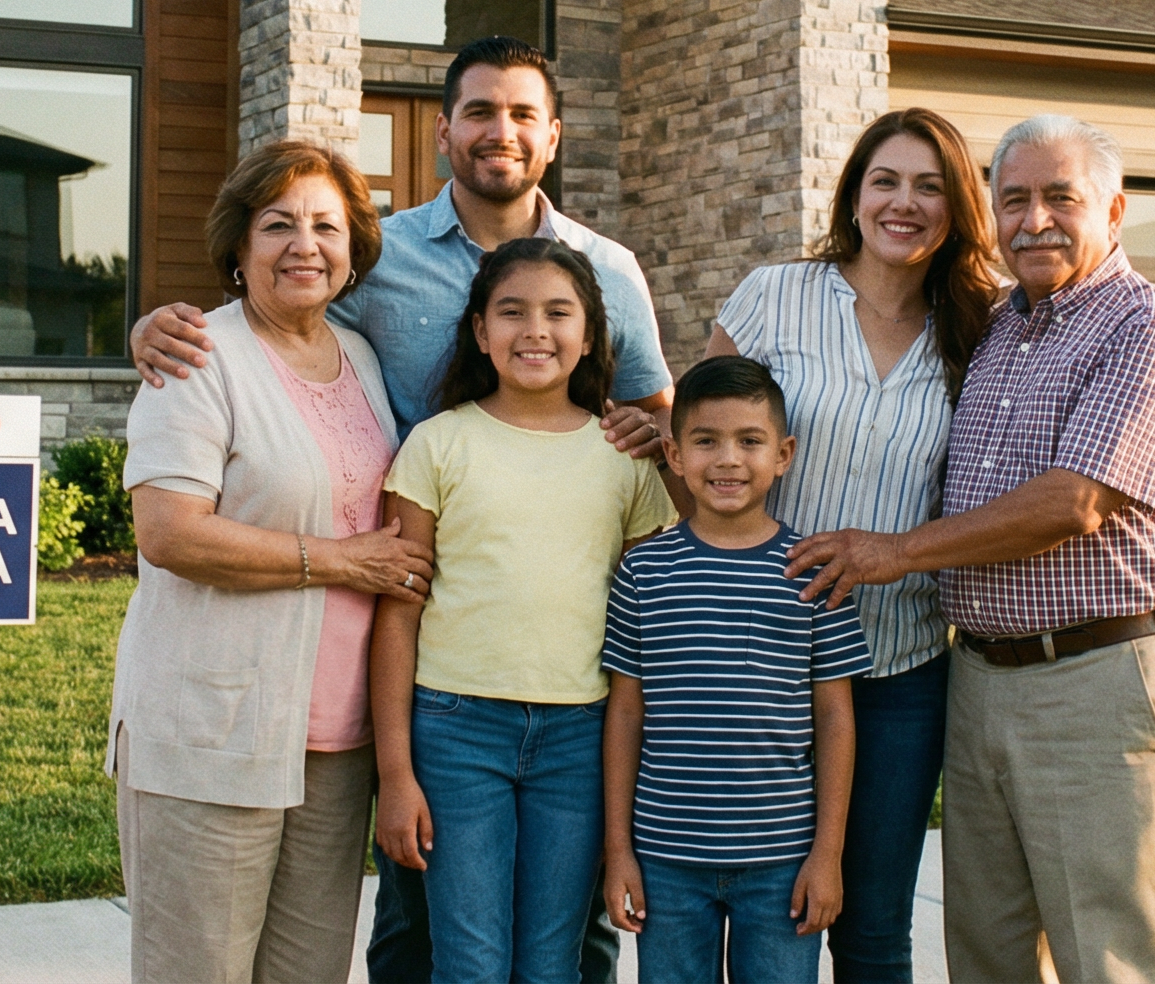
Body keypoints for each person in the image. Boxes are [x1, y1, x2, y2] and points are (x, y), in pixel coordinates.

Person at [131, 36, 675, 984]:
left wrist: (642, 441)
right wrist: (150, 327)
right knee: (420, 935)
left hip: (387, 704)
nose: (497, 131)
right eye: (477, 112)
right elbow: (259, 334)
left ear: (553, 135)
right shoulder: (368, 269)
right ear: (442, 132)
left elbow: (655, 421)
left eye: (519, 114)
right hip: (411, 673)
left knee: (558, 943)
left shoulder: (606, 269)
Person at [787, 114, 1155, 984]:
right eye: (1014, 199)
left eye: (1061, 198)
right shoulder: (992, 330)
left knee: (1114, 952)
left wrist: (897, 553)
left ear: (1115, 209)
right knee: (990, 954)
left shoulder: (1149, 330)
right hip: (979, 682)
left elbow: (1075, 500)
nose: (1035, 220)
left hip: (1096, 681)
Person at [106, 139, 440, 984]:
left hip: (334, 745)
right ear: (239, 246)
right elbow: (170, 533)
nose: (305, 244)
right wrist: (338, 561)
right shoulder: (196, 356)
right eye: (279, 224)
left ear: (355, 250)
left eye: (327, 226)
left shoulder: (357, 357)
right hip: (214, 733)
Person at [701, 107, 1000, 984]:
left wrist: (903, 549)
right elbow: (705, 437)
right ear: (855, 193)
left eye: (929, 186)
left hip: (897, 674)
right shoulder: (776, 295)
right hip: (757, 660)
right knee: (743, 911)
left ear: (957, 208)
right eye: (885, 181)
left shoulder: (979, 331)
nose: (903, 204)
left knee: (871, 930)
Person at [371, 238, 678, 984]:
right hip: (455, 732)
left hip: (580, 737)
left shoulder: (624, 455)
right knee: (470, 963)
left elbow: (651, 618)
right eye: (511, 312)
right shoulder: (437, 444)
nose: (534, 329)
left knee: (552, 965)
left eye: (557, 313)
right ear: (480, 331)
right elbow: (398, 615)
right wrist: (396, 774)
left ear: (589, 335)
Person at [602, 355, 871, 984]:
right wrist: (620, 852)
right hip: (667, 855)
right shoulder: (644, 571)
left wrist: (826, 854)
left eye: (750, 441)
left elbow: (834, 715)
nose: (728, 459)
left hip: (781, 857)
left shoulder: (814, 570)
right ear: (673, 454)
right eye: (706, 441)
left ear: (783, 454)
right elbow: (625, 711)